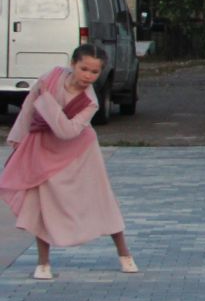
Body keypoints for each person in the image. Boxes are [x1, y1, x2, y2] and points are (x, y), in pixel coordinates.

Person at [1, 43, 137, 279]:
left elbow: (68, 131)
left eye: (94, 72)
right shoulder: (50, 78)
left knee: (99, 198)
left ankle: (124, 254)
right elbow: (28, 110)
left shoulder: (90, 101)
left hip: (80, 151)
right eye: (84, 68)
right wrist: (19, 140)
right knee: (42, 199)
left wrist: (48, 105)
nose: (88, 76)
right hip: (43, 144)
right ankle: (43, 263)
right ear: (73, 64)